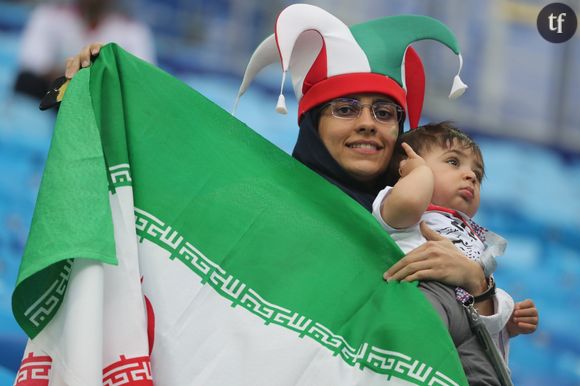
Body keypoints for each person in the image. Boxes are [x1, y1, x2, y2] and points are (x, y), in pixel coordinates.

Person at [62, 4, 520, 385]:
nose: (367, 122)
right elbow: (146, 200)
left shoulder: (420, 231)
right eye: (345, 109)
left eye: (383, 112)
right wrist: (103, 85)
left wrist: (477, 288)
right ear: (312, 124)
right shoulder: (251, 203)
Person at [373, 121, 538, 359]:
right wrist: (418, 173)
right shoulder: (403, 207)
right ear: (406, 167)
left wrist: (506, 324)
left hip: (465, 340)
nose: (471, 175)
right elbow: (408, 201)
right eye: (453, 162)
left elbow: (476, 311)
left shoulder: (474, 238)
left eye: (478, 175)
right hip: (420, 313)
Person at [14, 0, 155, 100]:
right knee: (26, 82)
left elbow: (140, 81)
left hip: (104, 102)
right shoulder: (48, 15)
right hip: (55, 93)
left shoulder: (133, 31)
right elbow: (33, 63)